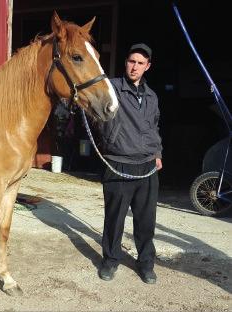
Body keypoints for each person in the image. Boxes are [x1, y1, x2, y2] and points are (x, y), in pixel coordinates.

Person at [97, 43, 163, 284]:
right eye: (131, 61)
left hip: (146, 166)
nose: (134, 66)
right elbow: (91, 97)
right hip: (118, 162)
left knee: (146, 220)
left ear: (147, 67)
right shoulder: (111, 88)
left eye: (140, 63)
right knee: (114, 219)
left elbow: (154, 127)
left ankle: (145, 263)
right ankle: (111, 260)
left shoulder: (152, 96)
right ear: (126, 62)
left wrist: (157, 152)